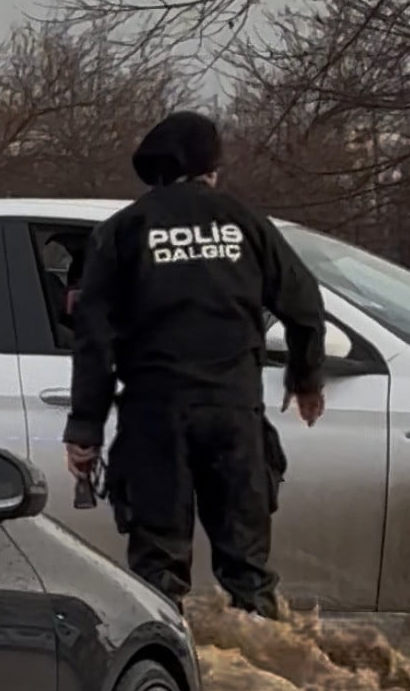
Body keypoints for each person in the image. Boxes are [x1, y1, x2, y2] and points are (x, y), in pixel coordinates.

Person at [62, 110, 326, 619]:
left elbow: (94, 338)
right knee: (248, 572)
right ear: (209, 168)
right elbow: (305, 303)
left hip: (154, 419)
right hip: (234, 416)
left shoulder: (124, 230)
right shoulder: (246, 222)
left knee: (158, 575)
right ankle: (269, 678)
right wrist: (306, 377)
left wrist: (85, 429)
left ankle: (166, 684)